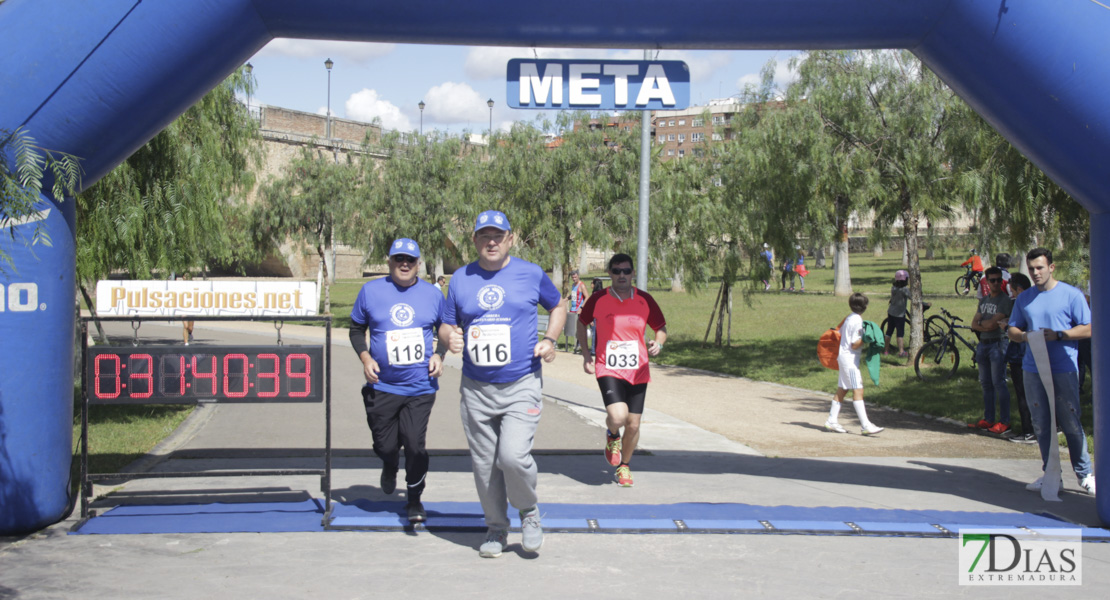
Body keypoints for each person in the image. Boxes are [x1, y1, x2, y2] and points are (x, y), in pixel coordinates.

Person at [440, 210, 567, 558]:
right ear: (475, 241)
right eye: (484, 236)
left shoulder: (529, 273)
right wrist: (449, 337)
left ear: (512, 238)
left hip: (521, 383)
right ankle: (496, 527)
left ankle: (528, 511)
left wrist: (551, 339)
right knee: (484, 465)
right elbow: (447, 323)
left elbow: (558, 305)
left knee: (512, 456)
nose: (491, 242)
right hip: (476, 388)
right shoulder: (461, 279)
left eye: (498, 235)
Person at [348, 238, 447, 523]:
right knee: (385, 446)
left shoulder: (432, 295)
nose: (405, 264)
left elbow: (445, 329)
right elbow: (356, 329)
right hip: (382, 385)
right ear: (389, 260)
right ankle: (389, 463)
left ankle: (414, 499)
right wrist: (366, 358)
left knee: (415, 446)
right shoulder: (370, 291)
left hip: (420, 386)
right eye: (399, 259)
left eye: (411, 260)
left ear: (418, 264)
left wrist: (439, 354)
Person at [1006, 248, 1095, 496]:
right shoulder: (1025, 299)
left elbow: (1088, 328)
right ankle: (1051, 474)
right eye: (1031, 268)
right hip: (1033, 369)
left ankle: (1084, 474)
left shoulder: (1071, 295)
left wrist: (1059, 335)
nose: (1035, 273)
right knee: (1041, 424)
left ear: (1051, 267)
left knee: (1070, 421)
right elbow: (1012, 329)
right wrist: (1025, 336)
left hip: (1063, 368)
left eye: (1040, 268)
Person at [576, 253, 667, 488]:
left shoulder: (644, 299)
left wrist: (659, 342)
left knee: (634, 424)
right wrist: (587, 354)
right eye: (617, 271)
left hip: (638, 370)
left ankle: (624, 466)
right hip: (608, 366)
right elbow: (581, 322)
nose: (622, 276)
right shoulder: (597, 299)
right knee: (618, 417)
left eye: (626, 271)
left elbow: (660, 327)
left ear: (633, 273)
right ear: (610, 273)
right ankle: (613, 434)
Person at [824, 293, 884, 435]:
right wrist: (866, 338)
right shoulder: (857, 320)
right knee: (858, 390)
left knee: (842, 389)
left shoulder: (849, 318)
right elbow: (855, 344)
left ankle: (831, 421)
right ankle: (865, 425)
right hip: (850, 360)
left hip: (844, 358)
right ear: (864, 306)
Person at [968, 266, 1013, 435]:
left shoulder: (1005, 300)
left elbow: (994, 324)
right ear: (986, 281)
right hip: (983, 344)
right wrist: (983, 326)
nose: (996, 283)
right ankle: (988, 418)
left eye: (998, 280)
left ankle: (1005, 421)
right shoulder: (984, 300)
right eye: (992, 280)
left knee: (999, 383)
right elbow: (974, 324)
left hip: (998, 344)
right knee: (985, 383)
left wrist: (983, 325)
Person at [1005, 273, 1036, 444]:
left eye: (1012, 291)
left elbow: (1018, 326)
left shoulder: (1023, 301)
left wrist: (1008, 328)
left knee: (1023, 393)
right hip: (1025, 351)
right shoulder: (1030, 299)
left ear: (1018, 289)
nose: (1012, 295)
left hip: (1021, 353)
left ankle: (1028, 430)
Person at [884, 270, 911, 358]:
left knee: (889, 331)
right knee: (900, 333)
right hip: (899, 314)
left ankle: (886, 350)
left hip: (891, 311)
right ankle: (901, 351)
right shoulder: (904, 290)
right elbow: (912, 297)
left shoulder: (893, 288)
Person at [563, 270, 587, 352]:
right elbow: (573, 295)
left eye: (575, 277)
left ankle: (579, 344)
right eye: (573, 277)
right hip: (573, 309)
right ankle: (573, 345)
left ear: (578, 276)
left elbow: (587, 297)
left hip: (579, 310)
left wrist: (581, 308)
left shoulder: (582, 285)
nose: (574, 279)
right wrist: (566, 299)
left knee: (579, 328)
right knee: (572, 328)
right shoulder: (573, 285)